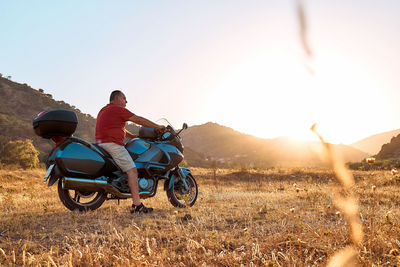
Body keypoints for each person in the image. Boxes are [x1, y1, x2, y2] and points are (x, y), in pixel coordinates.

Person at [95, 90, 165, 214]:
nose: (126, 101)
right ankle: (137, 205)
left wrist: (132, 136)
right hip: (112, 144)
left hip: (102, 143)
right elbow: (138, 119)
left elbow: (117, 127)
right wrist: (158, 127)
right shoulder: (118, 109)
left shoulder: (105, 110)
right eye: (124, 98)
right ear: (117, 98)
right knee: (132, 171)